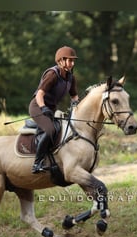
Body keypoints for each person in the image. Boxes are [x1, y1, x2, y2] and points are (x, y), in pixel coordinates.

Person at [29, 46, 79, 174]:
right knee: (51, 129)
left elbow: (74, 96)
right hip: (37, 107)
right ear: (61, 61)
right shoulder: (52, 74)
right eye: (70, 60)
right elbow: (40, 94)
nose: (72, 63)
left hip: (51, 109)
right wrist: (43, 107)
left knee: (61, 129)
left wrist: (76, 105)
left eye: (73, 61)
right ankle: (37, 163)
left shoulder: (70, 78)